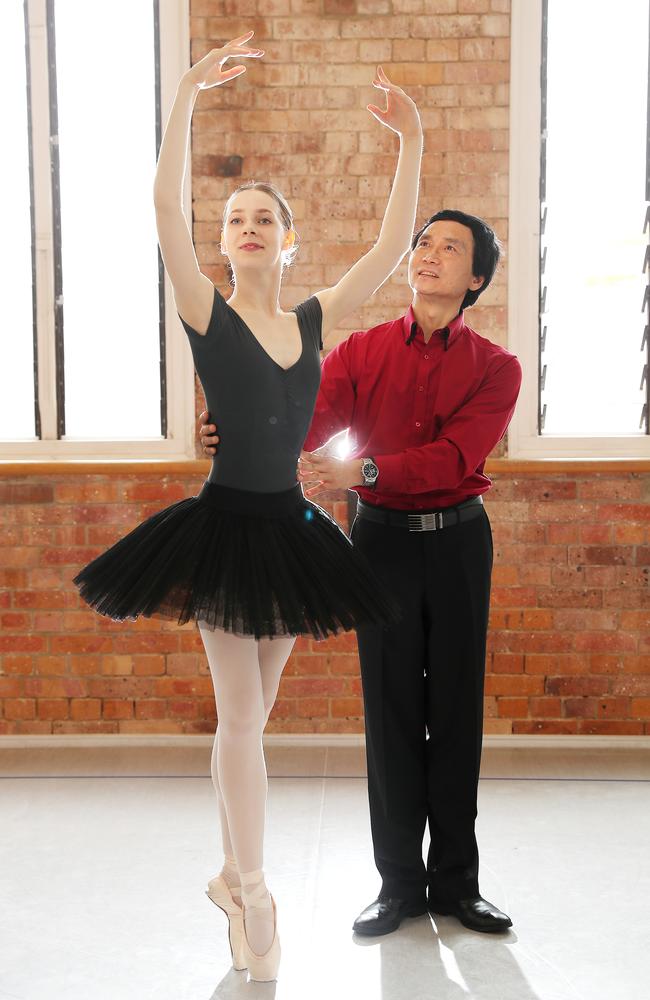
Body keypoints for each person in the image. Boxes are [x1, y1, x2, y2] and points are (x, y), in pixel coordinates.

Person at [73, 32, 422, 981]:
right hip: (226, 528)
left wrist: (413, 142)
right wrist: (186, 91)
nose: (249, 226)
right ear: (223, 242)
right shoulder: (206, 311)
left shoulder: (310, 319)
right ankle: (258, 893)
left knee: (252, 719)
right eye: (236, 218)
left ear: (289, 237)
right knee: (238, 717)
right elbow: (159, 211)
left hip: (293, 532)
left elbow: (391, 252)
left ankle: (228, 870)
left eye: (265, 216)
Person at [200, 208, 522, 939]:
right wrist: (228, 430)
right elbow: (298, 419)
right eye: (422, 243)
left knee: (457, 714)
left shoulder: (497, 368)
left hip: (460, 543)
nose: (428, 255)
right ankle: (399, 886)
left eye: (449, 249)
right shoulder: (361, 352)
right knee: (390, 712)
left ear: (476, 279)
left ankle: (459, 885)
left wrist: (364, 467)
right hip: (377, 542)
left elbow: (455, 458)